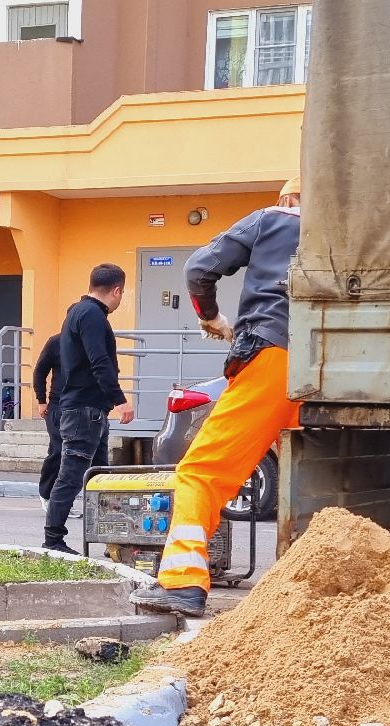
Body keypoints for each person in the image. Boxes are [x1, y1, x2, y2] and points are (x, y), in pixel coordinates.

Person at [132, 176, 304, 617]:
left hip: (275, 357)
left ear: (289, 198)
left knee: (199, 474)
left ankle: (183, 583)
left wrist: (210, 316)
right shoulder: (354, 229)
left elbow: (197, 269)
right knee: (317, 485)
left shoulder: (273, 218)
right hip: (345, 367)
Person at [43, 264, 135, 553]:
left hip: (88, 409)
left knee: (100, 477)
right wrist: (120, 399)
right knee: (71, 477)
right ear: (117, 290)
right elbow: (100, 362)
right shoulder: (93, 316)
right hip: (84, 410)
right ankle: (53, 540)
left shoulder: (78, 313)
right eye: (123, 293)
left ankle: (112, 541)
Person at [29, 332, 63, 502]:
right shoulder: (56, 342)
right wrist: (41, 400)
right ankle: (46, 494)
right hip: (57, 406)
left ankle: (61, 499)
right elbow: (40, 371)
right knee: (59, 450)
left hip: (81, 406)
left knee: (68, 453)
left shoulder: (88, 341)